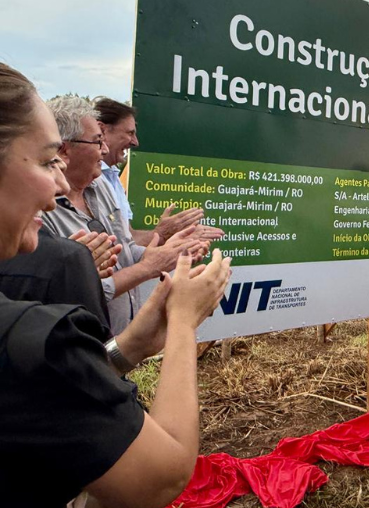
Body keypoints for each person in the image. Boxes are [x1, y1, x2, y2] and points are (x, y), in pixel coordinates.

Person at [0, 62, 232, 507]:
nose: (57, 187)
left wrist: (129, 347)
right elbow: (160, 479)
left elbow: (44, 390)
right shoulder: (26, 334)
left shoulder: (35, 350)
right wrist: (183, 322)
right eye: (49, 161)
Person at [42, 96, 205, 334]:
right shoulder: (41, 208)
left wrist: (169, 254)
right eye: (97, 142)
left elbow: (126, 250)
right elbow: (74, 289)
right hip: (77, 349)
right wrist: (148, 267)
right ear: (65, 149)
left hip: (119, 340)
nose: (105, 149)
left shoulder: (103, 186)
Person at [94, 97, 223, 245]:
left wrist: (173, 239)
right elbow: (112, 247)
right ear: (102, 130)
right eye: (130, 133)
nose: (136, 142)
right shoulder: (88, 180)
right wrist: (161, 235)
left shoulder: (112, 177)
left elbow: (128, 239)